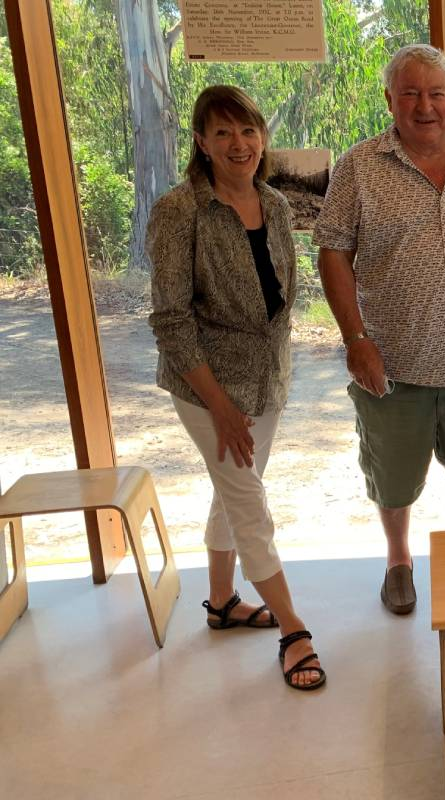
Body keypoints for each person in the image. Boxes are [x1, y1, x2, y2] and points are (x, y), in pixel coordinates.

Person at [314, 45, 445, 616]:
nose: (425, 106)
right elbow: (332, 252)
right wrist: (356, 340)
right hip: (394, 360)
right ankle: (398, 560)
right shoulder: (359, 167)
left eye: (436, 93)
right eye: (410, 93)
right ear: (390, 99)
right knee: (393, 475)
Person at [147, 85, 325, 691]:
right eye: (222, 132)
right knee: (250, 503)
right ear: (201, 142)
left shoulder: (274, 203)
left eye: (248, 130)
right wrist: (220, 406)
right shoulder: (180, 211)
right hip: (208, 386)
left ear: (262, 138)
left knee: (232, 491)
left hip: (267, 379)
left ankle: (222, 602)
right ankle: (294, 631)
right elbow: (170, 320)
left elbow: (280, 298)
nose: (238, 143)